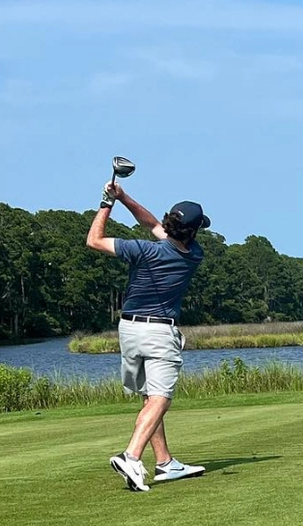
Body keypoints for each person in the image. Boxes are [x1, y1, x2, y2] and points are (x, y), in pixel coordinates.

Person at [85, 180, 211, 492]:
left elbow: (94, 240)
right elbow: (153, 225)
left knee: (148, 396)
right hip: (159, 332)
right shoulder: (192, 254)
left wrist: (110, 201)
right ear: (193, 232)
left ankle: (165, 463)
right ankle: (130, 456)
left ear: (169, 223)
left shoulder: (141, 250)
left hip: (128, 329)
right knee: (160, 399)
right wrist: (122, 198)